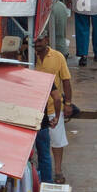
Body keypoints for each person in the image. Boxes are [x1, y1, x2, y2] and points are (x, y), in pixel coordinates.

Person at [33, 33, 72, 183]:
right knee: (42, 150)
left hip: (51, 109)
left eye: (40, 40)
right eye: (35, 41)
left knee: (56, 141)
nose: (37, 44)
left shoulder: (57, 57)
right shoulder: (29, 57)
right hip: (35, 110)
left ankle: (58, 170)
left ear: (47, 40)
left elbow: (66, 81)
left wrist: (67, 103)